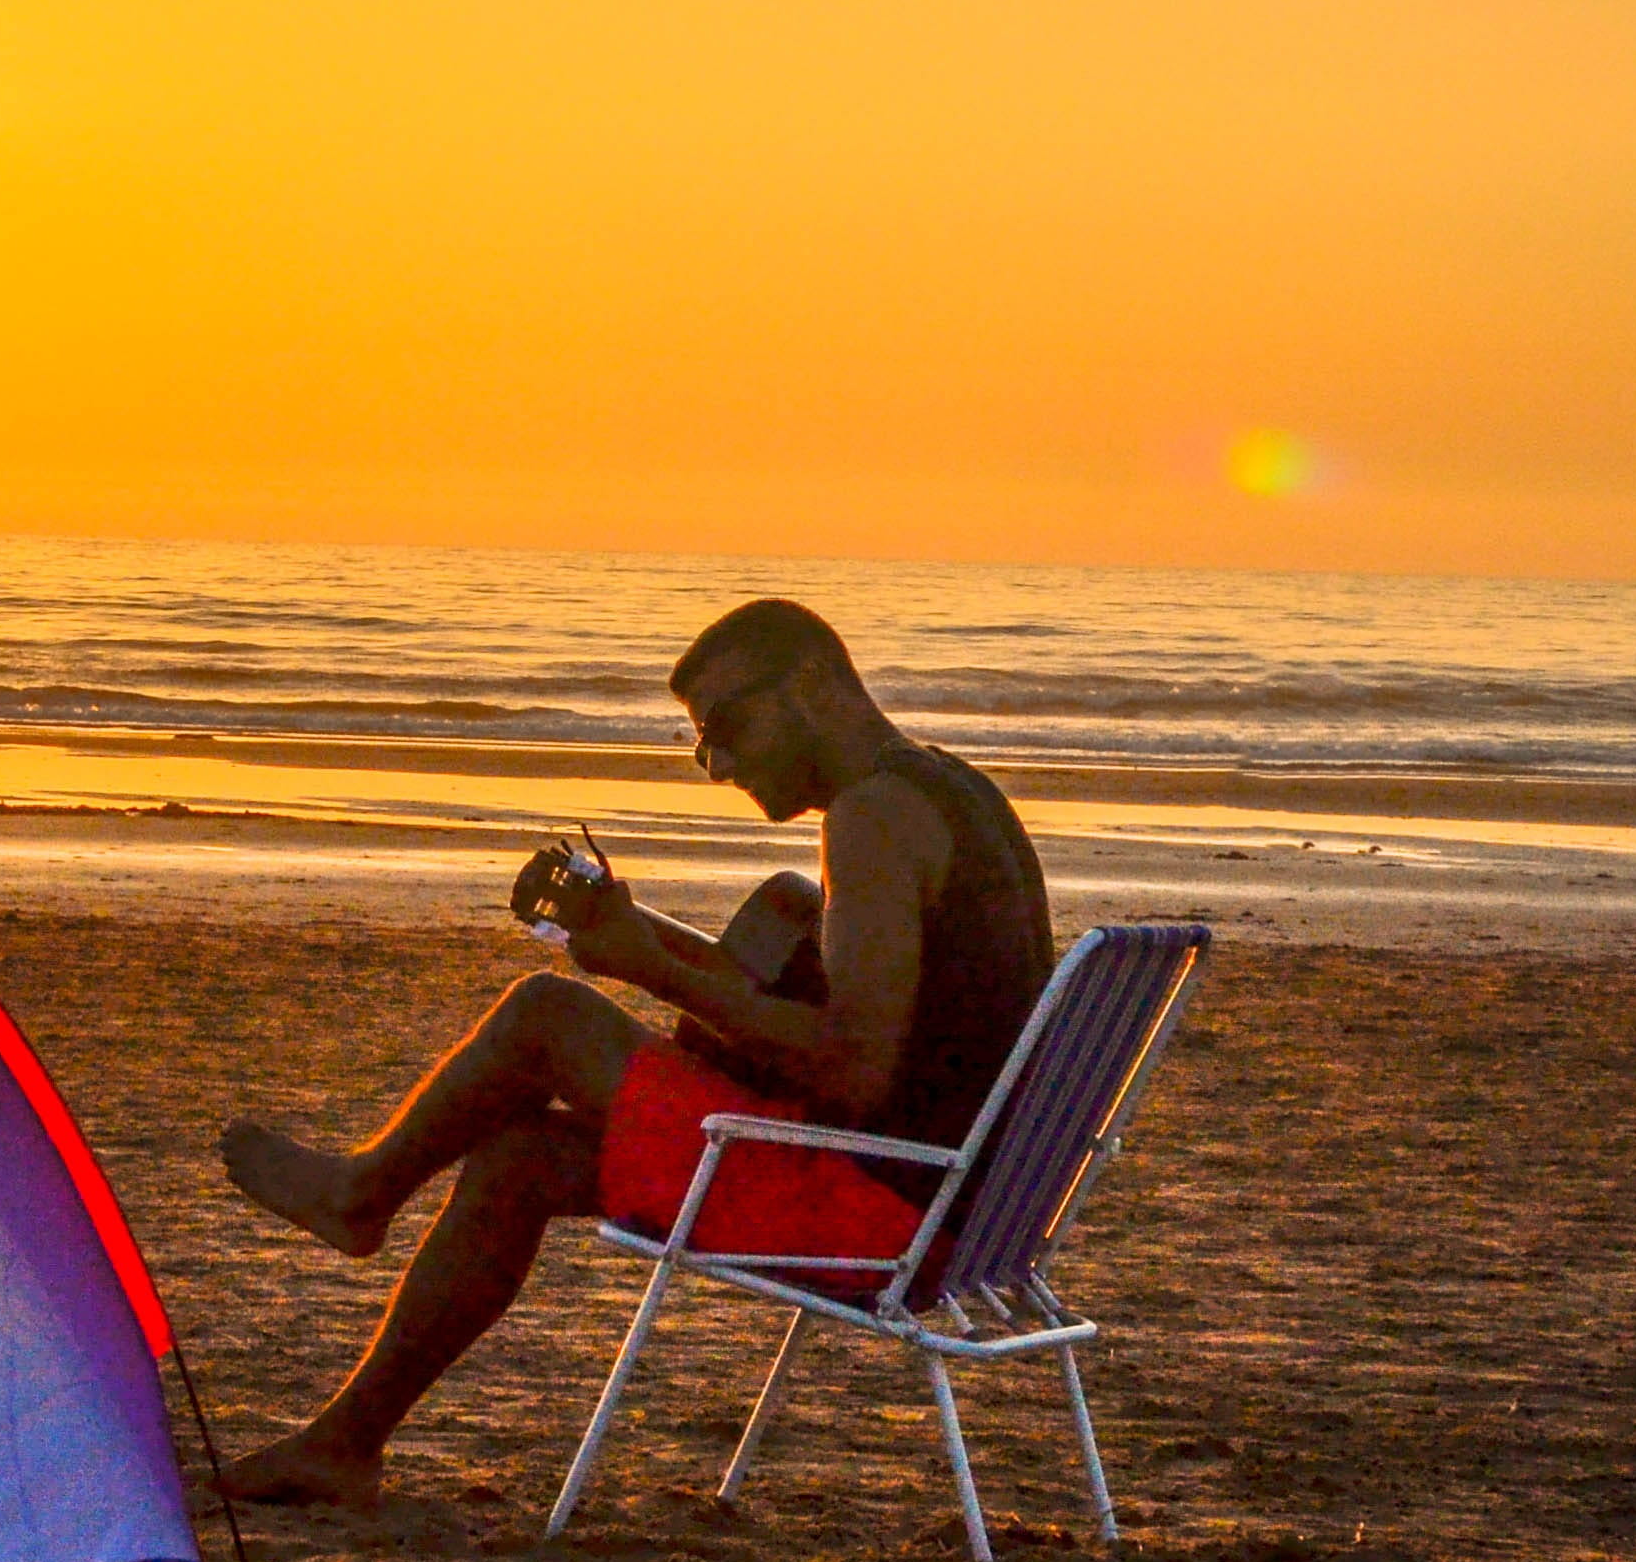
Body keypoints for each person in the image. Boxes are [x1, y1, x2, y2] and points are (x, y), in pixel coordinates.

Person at [213, 596, 1055, 1510]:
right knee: (521, 1158)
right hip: (968, 1213)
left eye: (727, 727)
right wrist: (636, 934)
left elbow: (853, 1069)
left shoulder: (872, 817)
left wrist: (649, 969)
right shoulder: (950, 790)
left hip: (887, 1218)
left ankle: (362, 1195)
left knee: (547, 1019)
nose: (719, 764)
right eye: (702, 746)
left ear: (812, 683)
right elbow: (852, 1023)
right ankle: (343, 1446)